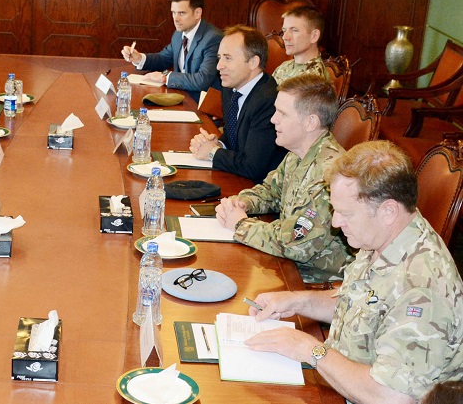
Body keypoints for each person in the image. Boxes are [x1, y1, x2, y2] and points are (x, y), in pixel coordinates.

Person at [245, 141, 463, 404]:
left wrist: (310, 350)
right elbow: (363, 305)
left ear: (388, 211)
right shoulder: (384, 235)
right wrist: (297, 301)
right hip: (338, 378)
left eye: (345, 213)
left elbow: (390, 397)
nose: (336, 222)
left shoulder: (422, 288)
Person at [215, 74, 352, 282]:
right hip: (286, 265)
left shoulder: (328, 175)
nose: (273, 119)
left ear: (310, 122)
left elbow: (295, 245)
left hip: (312, 282)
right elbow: (271, 191)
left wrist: (240, 225)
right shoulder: (297, 153)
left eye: (282, 113)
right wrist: (245, 202)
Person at [189, 25, 285, 182]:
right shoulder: (231, 88)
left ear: (253, 62)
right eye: (220, 58)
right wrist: (218, 143)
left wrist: (214, 152)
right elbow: (234, 136)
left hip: (259, 188)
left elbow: (253, 167)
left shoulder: (268, 100)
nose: (219, 66)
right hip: (238, 178)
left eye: (228, 58)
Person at [121, 0, 222, 99]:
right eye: (173, 12)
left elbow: (203, 80)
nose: (176, 18)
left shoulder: (213, 38)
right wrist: (139, 58)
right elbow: (164, 59)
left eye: (182, 13)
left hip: (200, 103)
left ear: (198, 13)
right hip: (180, 96)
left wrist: (165, 77)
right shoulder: (179, 35)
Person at [271, 5, 330, 84]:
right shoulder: (284, 66)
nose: (285, 37)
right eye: (284, 31)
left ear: (314, 36)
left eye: (294, 30)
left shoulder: (313, 79)